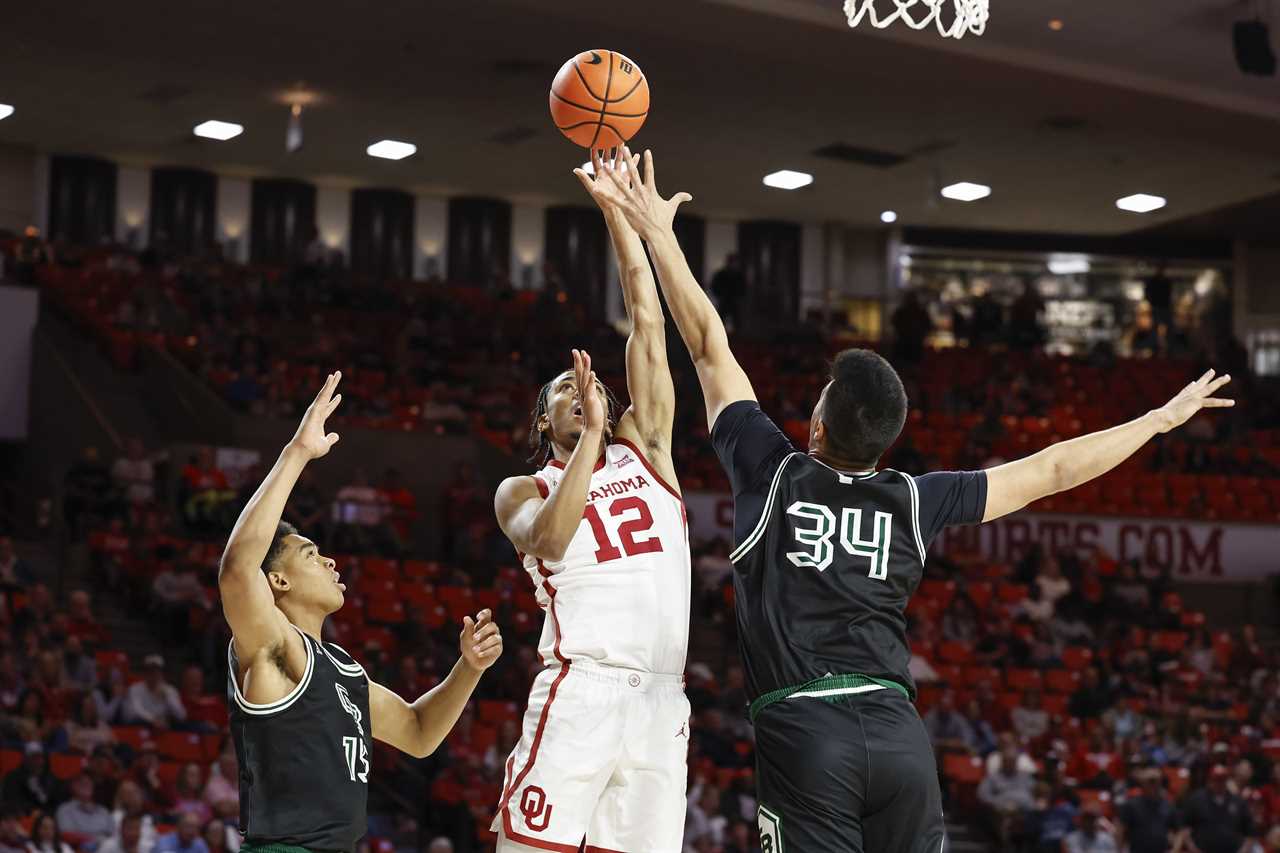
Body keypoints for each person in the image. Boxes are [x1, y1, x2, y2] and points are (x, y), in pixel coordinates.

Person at [595, 144, 1236, 853]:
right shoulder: (913, 499)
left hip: (807, 732)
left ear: (815, 425)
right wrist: (1155, 419)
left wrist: (658, 233)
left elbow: (708, 346)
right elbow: (1053, 469)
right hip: (901, 738)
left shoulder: (770, 468)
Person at [486, 148, 692, 853]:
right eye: (565, 391)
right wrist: (589, 442)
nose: (584, 391)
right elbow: (547, 541)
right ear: (545, 422)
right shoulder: (524, 487)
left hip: (663, 699)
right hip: (584, 689)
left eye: (591, 386)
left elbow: (648, 321)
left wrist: (618, 215)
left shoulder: (649, 450)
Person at [219, 372, 502, 853]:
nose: (330, 560)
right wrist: (297, 453)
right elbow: (237, 568)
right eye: (310, 554)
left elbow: (417, 732)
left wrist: (469, 668)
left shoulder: (343, 668)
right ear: (278, 581)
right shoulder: (275, 648)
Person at [1181, 765, 1256, 853]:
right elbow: (1184, 827)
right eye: (1216, 780)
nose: (1219, 783)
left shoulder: (1238, 802)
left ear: (1226, 781)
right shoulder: (1196, 800)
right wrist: (1192, 848)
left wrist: (1244, 851)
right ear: (1210, 780)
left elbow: (1250, 832)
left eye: (1222, 780)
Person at [1117, 767, 1180, 853]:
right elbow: (1121, 830)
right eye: (1150, 781)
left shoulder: (1168, 805)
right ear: (1143, 783)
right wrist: (1119, 850)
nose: (1154, 785)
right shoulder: (1131, 805)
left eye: (1156, 781)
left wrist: (1175, 850)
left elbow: (1179, 831)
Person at [123, 656, 187, 727]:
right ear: (145, 673)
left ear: (162, 673)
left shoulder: (169, 690)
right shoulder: (135, 689)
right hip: (141, 725)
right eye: (150, 671)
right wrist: (153, 719)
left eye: (157, 671)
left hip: (163, 726)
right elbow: (135, 711)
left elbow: (181, 715)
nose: (154, 674)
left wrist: (168, 696)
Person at [709, 253, 746, 332]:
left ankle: (738, 339)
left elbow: (744, 288)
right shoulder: (721, 274)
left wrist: (740, 298)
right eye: (732, 262)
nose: (733, 264)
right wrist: (720, 296)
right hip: (724, 301)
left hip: (736, 302)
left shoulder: (739, 275)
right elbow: (714, 286)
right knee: (720, 323)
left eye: (735, 262)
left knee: (738, 323)